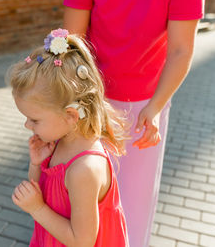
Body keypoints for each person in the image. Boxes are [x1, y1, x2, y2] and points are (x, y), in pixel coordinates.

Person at [63, 0, 205, 246]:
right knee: (81, 196)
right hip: (90, 100)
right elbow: (72, 41)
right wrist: (81, 99)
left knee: (133, 206)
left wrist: (155, 108)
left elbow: (180, 50)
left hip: (146, 106)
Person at [9, 29, 130, 246]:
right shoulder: (59, 141)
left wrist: (37, 209)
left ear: (71, 115)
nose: (27, 125)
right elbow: (41, 190)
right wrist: (37, 164)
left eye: (34, 120)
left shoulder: (85, 169)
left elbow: (82, 241)